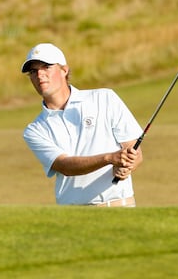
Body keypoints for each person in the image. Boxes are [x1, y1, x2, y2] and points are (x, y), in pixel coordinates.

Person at [21, 43, 143, 207]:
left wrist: (128, 165)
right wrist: (110, 159)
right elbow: (65, 166)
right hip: (73, 215)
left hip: (118, 206)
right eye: (33, 72)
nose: (40, 75)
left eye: (46, 67)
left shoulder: (104, 98)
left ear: (64, 70)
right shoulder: (35, 129)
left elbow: (134, 151)